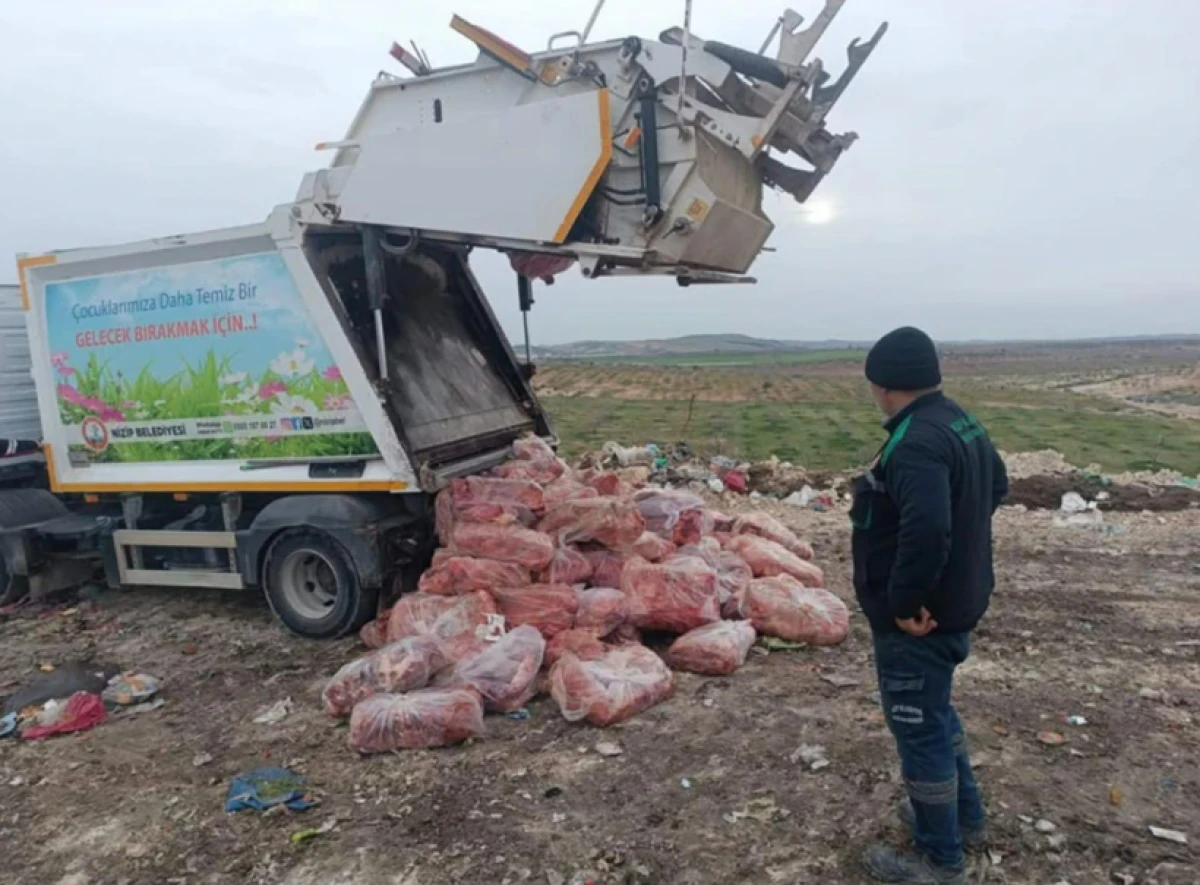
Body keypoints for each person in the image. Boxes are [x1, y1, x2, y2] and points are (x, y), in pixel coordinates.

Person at [851, 327, 1008, 884]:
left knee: (918, 729)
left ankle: (940, 860)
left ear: (883, 384)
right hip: (956, 602)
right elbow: (996, 486)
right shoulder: (957, 419)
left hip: (920, 621)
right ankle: (964, 819)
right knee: (936, 714)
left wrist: (904, 601)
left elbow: (926, 529)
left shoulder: (916, 441)